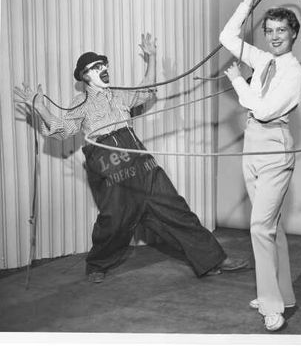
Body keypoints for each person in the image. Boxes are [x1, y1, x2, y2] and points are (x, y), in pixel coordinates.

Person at [14, 33, 248, 283]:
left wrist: (152, 58)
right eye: (95, 67)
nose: (103, 69)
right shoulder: (79, 105)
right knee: (114, 221)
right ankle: (97, 265)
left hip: (141, 161)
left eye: (104, 65)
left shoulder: (120, 95)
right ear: (84, 76)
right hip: (108, 164)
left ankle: (213, 258)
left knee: (176, 210)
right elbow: (60, 129)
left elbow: (146, 90)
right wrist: (40, 107)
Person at [219, 0, 301, 331]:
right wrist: (245, 6)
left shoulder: (293, 72)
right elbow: (226, 36)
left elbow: (266, 109)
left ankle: (272, 306)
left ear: (293, 33)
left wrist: (238, 82)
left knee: (259, 227)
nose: (274, 37)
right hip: (251, 143)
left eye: (281, 30)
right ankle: (284, 293)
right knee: (271, 228)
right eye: (269, 31)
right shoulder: (264, 59)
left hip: (274, 146)